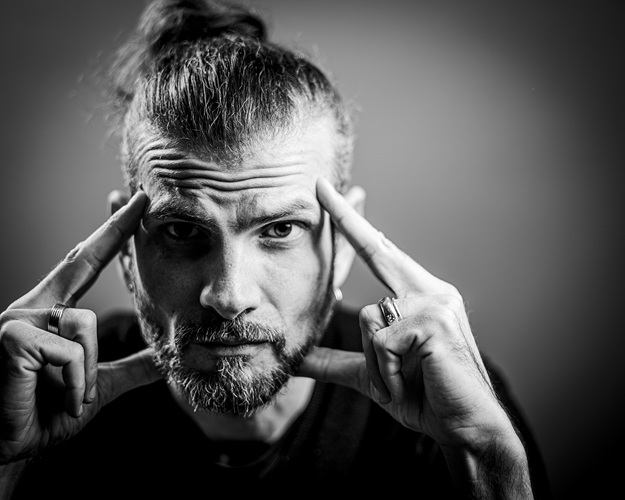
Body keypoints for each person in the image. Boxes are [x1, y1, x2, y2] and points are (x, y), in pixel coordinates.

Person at [0, 0, 552, 498]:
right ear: (125, 246)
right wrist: (6, 461)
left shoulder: (435, 393)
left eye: (280, 229)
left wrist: (484, 452)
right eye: (183, 231)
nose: (229, 296)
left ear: (342, 241)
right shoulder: (52, 391)